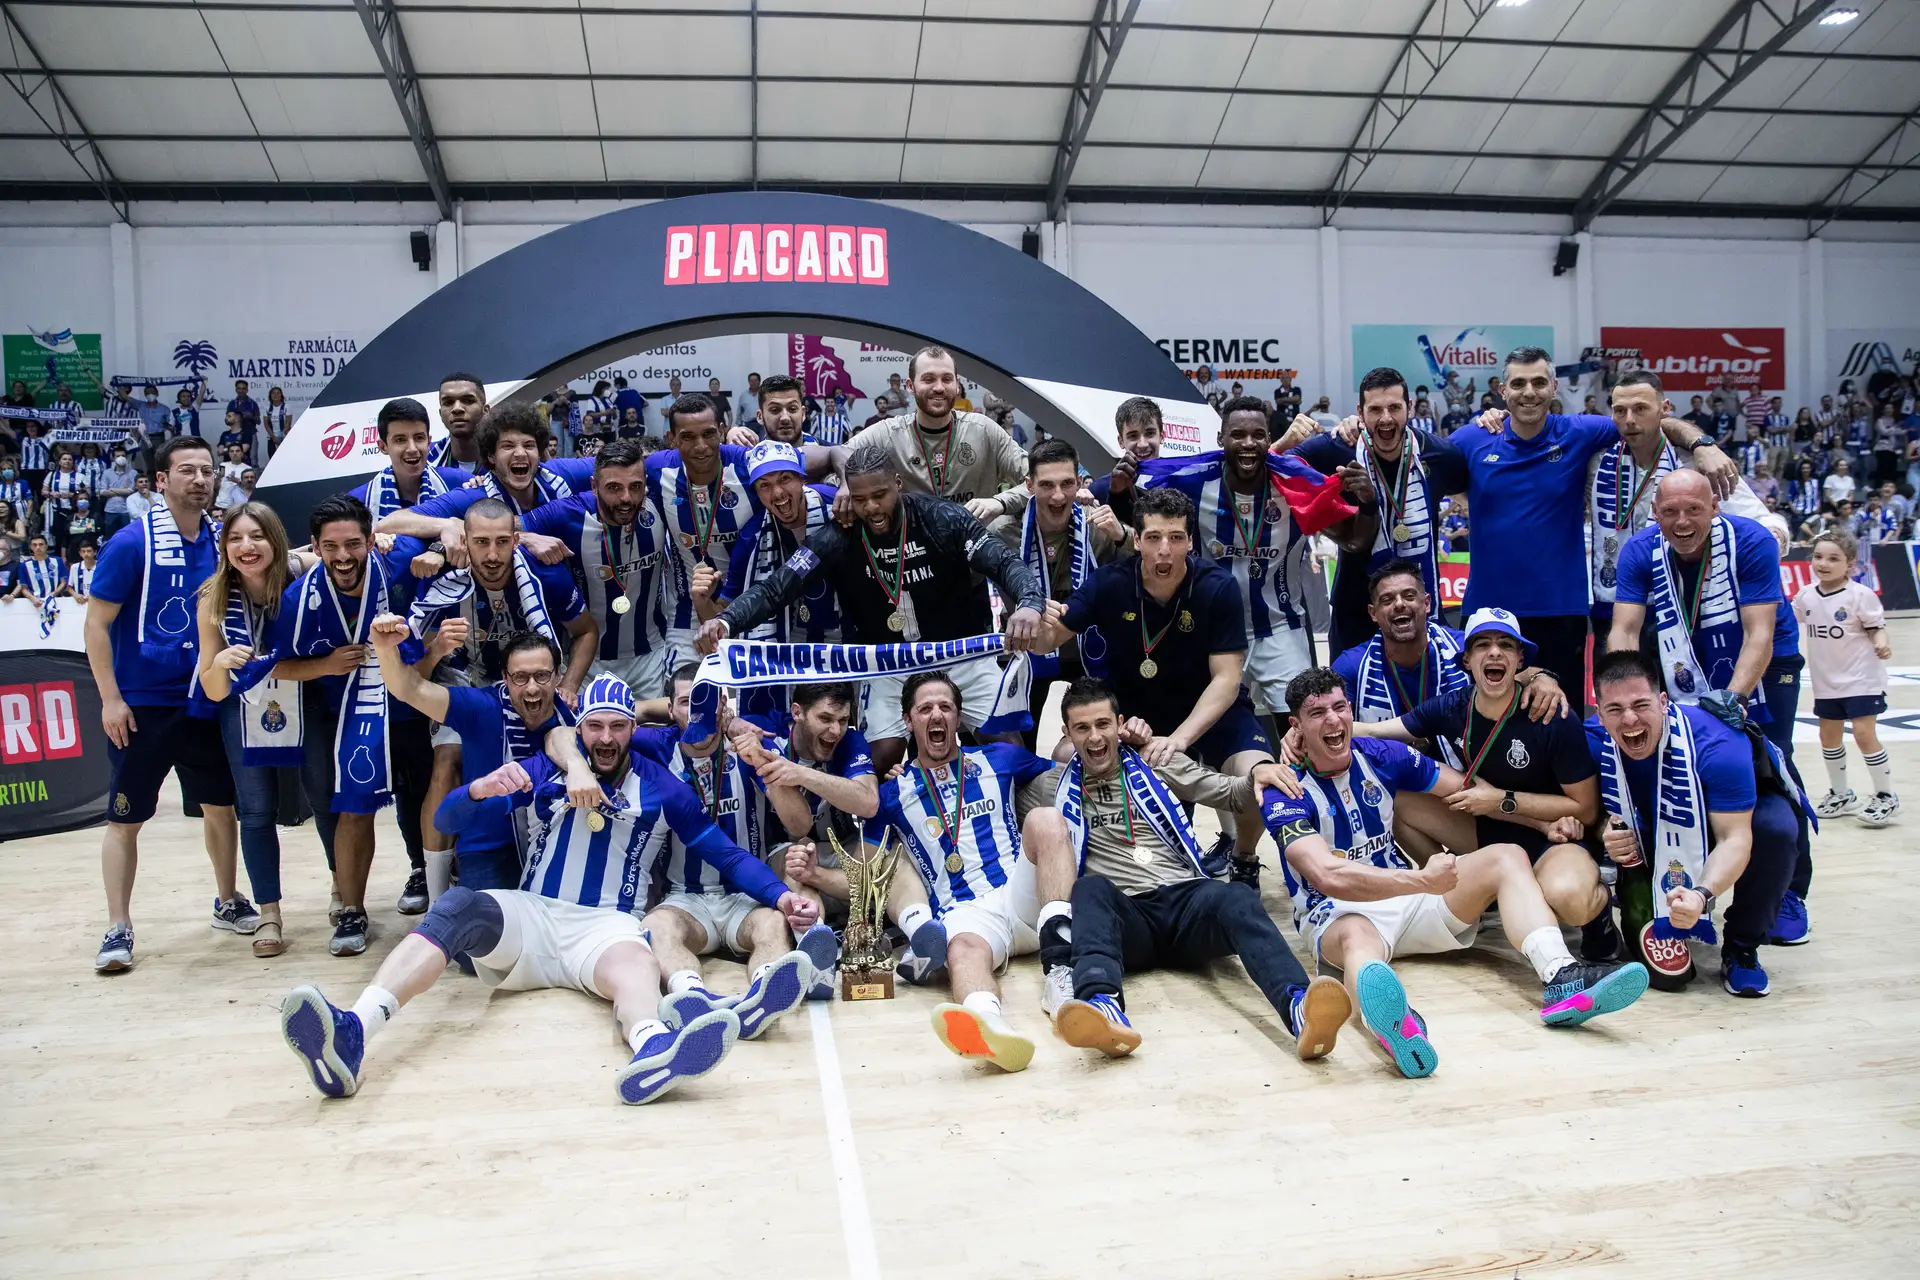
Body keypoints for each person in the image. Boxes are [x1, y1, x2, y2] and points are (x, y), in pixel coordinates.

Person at [278, 673, 820, 1105]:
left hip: (608, 926)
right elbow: (447, 816)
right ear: (579, 731)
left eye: (618, 727)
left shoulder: (662, 788)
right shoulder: (544, 770)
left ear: (634, 729)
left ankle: (654, 1051)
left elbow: (723, 853)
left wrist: (779, 897)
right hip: (534, 915)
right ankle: (355, 1031)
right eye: (595, 728)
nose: (607, 739)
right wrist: (478, 788)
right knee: (457, 905)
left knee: (638, 964)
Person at [1258, 668, 1649, 1078]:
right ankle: (1398, 1027)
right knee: (1359, 941)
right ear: (1296, 726)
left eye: (1340, 707)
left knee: (1506, 855)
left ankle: (1562, 977)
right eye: (1317, 713)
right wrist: (1420, 880)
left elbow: (1466, 790)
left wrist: (1540, 825)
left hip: (1407, 902)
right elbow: (1327, 875)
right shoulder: (1282, 789)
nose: (1334, 720)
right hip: (1339, 912)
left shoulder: (1380, 754)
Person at [1046, 678, 1349, 1062]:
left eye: (1103, 724)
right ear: (1067, 734)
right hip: (1125, 920)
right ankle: (1101, 1007)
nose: (1094, 738)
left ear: (1120, 723)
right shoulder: (1052, 784)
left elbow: (1227, 791)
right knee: (1089, 890)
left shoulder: (1155, 759)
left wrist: (1257, 774)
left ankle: (1300, 1008)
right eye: (1082, 728)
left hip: (1184, 906)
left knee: (1235, 895)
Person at [700, 441, 1046, 775]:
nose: (872, 509)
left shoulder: (941, 518)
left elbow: (1003, 562)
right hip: (890, 662)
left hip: (958, 654)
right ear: (849, 494)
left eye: (880, 496)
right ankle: (878, 829)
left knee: (1008, 749)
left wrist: (1030, 604)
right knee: (878, 759)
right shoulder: (841, 534)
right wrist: (726, 621)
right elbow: (779, 586)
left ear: (898, 483)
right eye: (861, 499)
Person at [1450, 347, 1734, 711]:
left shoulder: (1581, 431)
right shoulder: (1472, 437)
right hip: (1487, 609)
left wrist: (1702, 442)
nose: (1529, 391)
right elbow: (1426, 465)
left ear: (1554, 387)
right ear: (1502, 392)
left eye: (1539, 382)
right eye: (1518, 383)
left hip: (1560, 611)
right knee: (1483, 716)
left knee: (1560, 722)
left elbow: (1648, 423)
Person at [1033, 485, 1274, 880]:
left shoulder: (1218, 587)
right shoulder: (1109, 582)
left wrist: (1178, 740)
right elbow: (1049, 639)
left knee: (1259, 776)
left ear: (1190, 542)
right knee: (1064, 757)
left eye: (1176, 538)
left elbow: (1227, 680)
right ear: (1137, 540)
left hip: (1211, 712)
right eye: (1154, 537)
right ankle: (1107, 855)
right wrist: (1031, 617)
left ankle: (1244, 859)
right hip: (1136, 714)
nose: (1165, 550)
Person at [1344, 609, 1612, 953]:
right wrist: (1312, 732)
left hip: (1556, 837)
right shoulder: (1452, 707)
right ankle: (1470, 894)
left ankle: (1600, 913)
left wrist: (1500, 799)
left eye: (1505, 644)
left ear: (1519, 660)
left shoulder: (1550, 714)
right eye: (1482, 645)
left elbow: (1586, 811)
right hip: (1486, 832)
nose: (1494, 652)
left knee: (1569, 897)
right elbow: (1378, 731)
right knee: (1398, 800)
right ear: (1467, 660)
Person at [862, 672, 1077, 1072]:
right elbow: (867, 867)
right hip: (966, 915)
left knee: (1047, 820)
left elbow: (1067, 765)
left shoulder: (998, 758)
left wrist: (1081, 736)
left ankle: (1061, 975)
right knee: (959, 951)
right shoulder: (891, 794)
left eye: (945, 707)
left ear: (958, 717)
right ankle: (990, 1026)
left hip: (1021, 893)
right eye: (925, 709)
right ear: (909, 722)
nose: (936, 715)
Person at [85, 436, 240, 973]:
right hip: (143, 705)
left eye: (208, 470)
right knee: (125, 819)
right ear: (160, 481)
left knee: (221, 807)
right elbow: (97, 625)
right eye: (188, 471)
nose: (201, 479)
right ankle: (118, 927)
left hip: (205, 695)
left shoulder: (223, 541)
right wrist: (110, 699)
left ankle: (227, 900)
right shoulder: (131, 543)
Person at [1583, 650, 1806, 997]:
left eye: (1641, 705)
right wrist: (1603, 832)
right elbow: (1581, 812)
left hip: (1730, 819)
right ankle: (1600, 925)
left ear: (1662, 701)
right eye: (1615, 709)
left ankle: (1743, 947)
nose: (1629, 720)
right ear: (1599, 714)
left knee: (1776, 828)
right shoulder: (1592, 741)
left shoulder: (1718, 742)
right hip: (1650, 830)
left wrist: (1702, 895)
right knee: (1668, 980)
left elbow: (1734, 838)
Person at [1135, 395, 1364, 730]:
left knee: (1304, 727)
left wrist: (1367, 502)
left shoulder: (1295, 485)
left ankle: (1301, 782)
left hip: (1281, 627)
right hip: (1213, 630)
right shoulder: (1192, 484)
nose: (1248, 443)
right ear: (1220, 439)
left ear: (1269, 441)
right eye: (1238, 435)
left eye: (1258, 435)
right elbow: (1141, 499)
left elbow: (1353, 538)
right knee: (1204, 727)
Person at [268, 494, 432, 956]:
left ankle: (430, 883)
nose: (343, 556)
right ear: (315, 548)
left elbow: (445, 530)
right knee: (353, 807)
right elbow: (275, 666)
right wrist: (323, 666)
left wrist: (440, 548)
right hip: (343, 713)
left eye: (353, 545)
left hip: (405, 699)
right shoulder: (298, 599)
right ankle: (353, 910)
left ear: (370, 541)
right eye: (332, 547)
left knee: (422, 794)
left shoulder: (397, 559)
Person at [631, 666, 827, 1037]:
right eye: (688, 703)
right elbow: (587, 729)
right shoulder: (653, 749)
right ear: (671, 710)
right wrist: (644, 710)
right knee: (656, 926)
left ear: (724, 707)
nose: (697, 713)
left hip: (745, 895)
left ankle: (763, 996)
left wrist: (764, 767)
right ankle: (693, 999)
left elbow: (800, 825)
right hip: (685, 898)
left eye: (706, 702)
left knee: (773, 923)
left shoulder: (750, 747)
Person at [369, 612, 593, 898]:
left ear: (558, 676)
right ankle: (438, 899)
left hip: (558, 844)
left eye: (542, 676)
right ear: (505, 678)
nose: (533, 687)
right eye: (521, 678)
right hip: (489, 849)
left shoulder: (578, 713)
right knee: (482, 927)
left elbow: (633, 718)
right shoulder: (481, 707)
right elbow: (409, 689)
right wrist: (384, 649)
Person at [193, 503, 317, 957]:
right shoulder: (214, 594)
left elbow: (341, 555)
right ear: (224, 546)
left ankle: (344, 899)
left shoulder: (301, 572)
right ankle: (269, 911)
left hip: (305, 696)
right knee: (257, 809)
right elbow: (210, 688)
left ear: (275, 540)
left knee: (323, 799)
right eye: (236, 538)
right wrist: (221, 663)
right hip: (243, 708)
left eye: (257, 536)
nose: (247, 547)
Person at [1295, 367, 1469, 654]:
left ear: (1409, 409)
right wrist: (1326, 515)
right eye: (1375, 409)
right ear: (1360, 413)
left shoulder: (1440, 455)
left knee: (1421, 696)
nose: (1386, 419)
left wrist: (1495, 419)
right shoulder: (1340, 448)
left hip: (1417, 609)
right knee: (1350, 697)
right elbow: (1287, 465)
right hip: (1355, 611)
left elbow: (1476, 486)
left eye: (1395, 408)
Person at [1609, 472, 1791, 742]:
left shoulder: (1754, 541)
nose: (1682, 522)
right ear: (1655, 512)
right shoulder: (1639, 549)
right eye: (1670, 511)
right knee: (1694, 752)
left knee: (1771, 755)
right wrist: (1625, 691)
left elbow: (1759, 634)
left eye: (1694, 509)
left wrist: (1736, 698)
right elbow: (1624, 631)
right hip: (1687, 650)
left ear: (1715, 507)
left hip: (1770, 654)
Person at [1589, 371, 1772, 638]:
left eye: (1641, 409)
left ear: (1665, 409)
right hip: (1616, 602)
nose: (1629, 420)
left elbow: (1763, 522)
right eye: (1620, 411)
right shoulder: (1598, 460)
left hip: (1682, 603)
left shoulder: (1697, 464)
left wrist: (1702, 445)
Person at [986, 439, 1130, 743]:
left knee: (1102, 740)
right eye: (1047, 485)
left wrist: (1122, 536)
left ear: (1079, 483)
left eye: (1067, 484)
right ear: (1029, 485)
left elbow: (1142, 571)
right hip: (1027, 651)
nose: (1058, 495)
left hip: (1090, 650)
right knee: (1012, 745)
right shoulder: (1003, 532)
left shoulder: (1098, 526)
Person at [521, 437, 672, 698]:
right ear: (594, 486)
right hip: (587, 662)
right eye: (614, 487)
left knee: (649, 736)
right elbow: (494, 526)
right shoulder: (568, 513)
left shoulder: (659, 503)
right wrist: (525, 537)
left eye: (635, 486)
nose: (626, 498)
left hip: (652, 657)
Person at [706, 440, 840, 717]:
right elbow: (727, 610)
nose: (777, 493)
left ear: (802, 478)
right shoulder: (751, 538)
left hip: (846, 641)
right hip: (788, 653)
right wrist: (702, 599)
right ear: (756, 492)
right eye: (764, 485)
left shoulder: (835, 505)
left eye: (785, 479)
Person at [1795, 531, 1899, 828]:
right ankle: (1842, 793)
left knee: (1865, 735)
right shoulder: (1805, 596)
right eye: (1818, 557)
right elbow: (1790, 622)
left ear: (1850, 564)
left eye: (1833, 558)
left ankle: (1885, 794)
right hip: (1825, 682)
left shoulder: (1860, 595)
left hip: (1861, 679)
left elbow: (1877, 627)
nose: (1823, 564)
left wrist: (1882, 642)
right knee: (1828, 737)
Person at [842, 346, 1027, 508]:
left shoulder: (983, 430)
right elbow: (839, 455)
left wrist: (1000, 502)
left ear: (957, 385)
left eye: (947, 379)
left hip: (975, 542)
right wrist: (844, 485)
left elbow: (1038, 478)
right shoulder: (887, 434)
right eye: (928, 379)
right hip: (912, 545)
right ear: (910, 386)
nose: (939, 388)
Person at [349, 397, 471, 521]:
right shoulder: (358, 503)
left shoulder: (460, 483)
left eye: (419, 438)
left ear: (429, 442)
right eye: (400, 440)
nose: (412, 449)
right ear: (383, 446)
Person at [753, 374, 815, 448]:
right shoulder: (749, 457)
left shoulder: (827, 453)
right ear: (760, 417)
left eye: (792, 409)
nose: (785, 418)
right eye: (775, 410)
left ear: (803, 414)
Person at [6, 532, 63, 608]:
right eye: (35, 545)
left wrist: (52, 595)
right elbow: (23, 588)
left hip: (56, 600)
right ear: (30, 547)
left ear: (46, 546)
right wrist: (33, 598)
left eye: (41, 544)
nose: (38, 547)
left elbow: (64, 582)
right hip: (33, 603)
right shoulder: (24, 565)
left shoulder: (57, 561)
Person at [262, 386, 292, 459]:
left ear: (281, 395)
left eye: (278, 393)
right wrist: (273, 437)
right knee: (272, 459)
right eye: (273, 393)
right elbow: (266, 424)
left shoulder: (287, 406)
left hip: (284, 437)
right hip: (271, 437)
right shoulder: (267, 408)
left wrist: (280, 435)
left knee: (286, 458)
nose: (275, 395)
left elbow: (288, 423)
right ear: (270, 396)